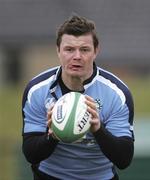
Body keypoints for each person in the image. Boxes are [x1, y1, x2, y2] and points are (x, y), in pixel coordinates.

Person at [22, 15, 134, 180]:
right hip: (49, 176)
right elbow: (31, 154)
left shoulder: (117, 94)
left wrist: (98, 129)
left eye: (84, 49)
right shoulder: (37, 90)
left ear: (96, 51)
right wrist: (52, 135)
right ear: (58, 51)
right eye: (69, 49)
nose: (77, 57)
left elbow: (124, 159)